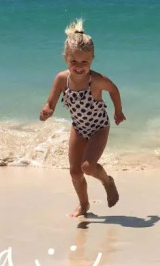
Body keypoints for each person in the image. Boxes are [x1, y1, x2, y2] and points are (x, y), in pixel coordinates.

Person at [40, 19, 126, 217]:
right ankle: (84, 205)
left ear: (92, 59)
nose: (79, 67)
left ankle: (107, 181)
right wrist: (46, 111)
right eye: (74, 62)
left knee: (87, 167)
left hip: (99, 128)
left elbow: (114, 90)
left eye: (84, 62)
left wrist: (118, 111)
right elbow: (50, 104)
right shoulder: (62, 79)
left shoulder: (96, 80)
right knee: (75, 172)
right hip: (78, 128)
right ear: (65, 59)